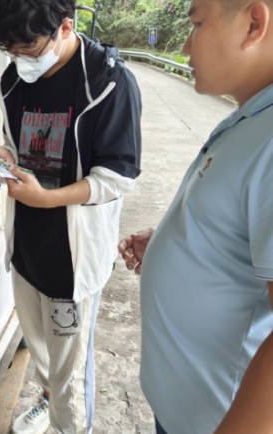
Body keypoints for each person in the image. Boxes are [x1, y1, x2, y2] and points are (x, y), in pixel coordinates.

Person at [0, 1, 142, 433]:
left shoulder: (108, 82)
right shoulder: (14, 79)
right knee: (40, 349)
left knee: (70, 370)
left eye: (30, 49)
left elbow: (117, 177)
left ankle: (70, 425)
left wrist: (49, 199)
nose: (21, 60)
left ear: (65, 28)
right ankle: (48, 401)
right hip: (27, 247)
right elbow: (16, 143)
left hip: (71, 257)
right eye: (10, 50)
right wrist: (6, 156)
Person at [119, 0, 273, 433]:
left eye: (197, 24)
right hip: (181, 406)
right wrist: (180, 245)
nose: (186, 47)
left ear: (253, 24)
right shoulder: (249, 116)